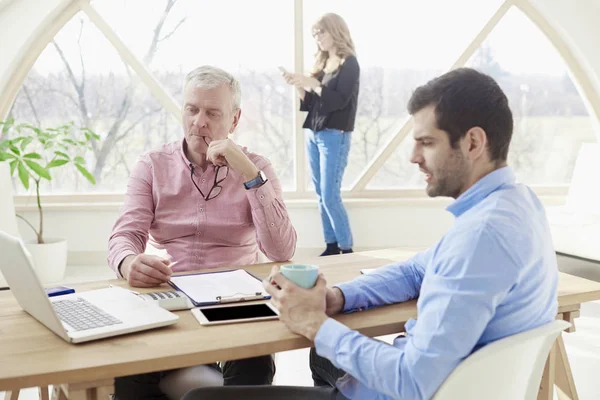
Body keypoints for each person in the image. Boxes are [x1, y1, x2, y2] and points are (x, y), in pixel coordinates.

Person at [183, 68, 559, 400]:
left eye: (426, 142)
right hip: (442, 380)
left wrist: (316, 324)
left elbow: (412, 381)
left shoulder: (481, 236)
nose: (413, 156)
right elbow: (415, 272)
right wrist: (335, 298)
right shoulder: (515, 204)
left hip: (403, 389)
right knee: (323, 351)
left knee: (201, 398)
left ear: (474, 143)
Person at [108, 65, 297, 399]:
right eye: (192, 109)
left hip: (236, 300)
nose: (199, 122)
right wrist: (128, 262)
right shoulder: (152, 165)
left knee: (253, 365)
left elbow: (282, 250)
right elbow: (125, 235)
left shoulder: (258, 168)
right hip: (170, 295)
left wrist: (250, 175)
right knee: (131, 368)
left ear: (234, 120)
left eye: (212, 113)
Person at [281, 12, 359, 256]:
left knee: (330, 195)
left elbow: (337, 100)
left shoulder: (349, 64)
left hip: (335, 134)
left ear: (334, 31)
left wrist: (312, 83)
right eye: (315, 35)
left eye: (321, 33)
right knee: (320, 194)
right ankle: (332, 245)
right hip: (314, 133)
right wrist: (300, 86)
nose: (318, 39)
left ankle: (347, 249)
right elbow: (314, 104)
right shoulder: (323, 65)